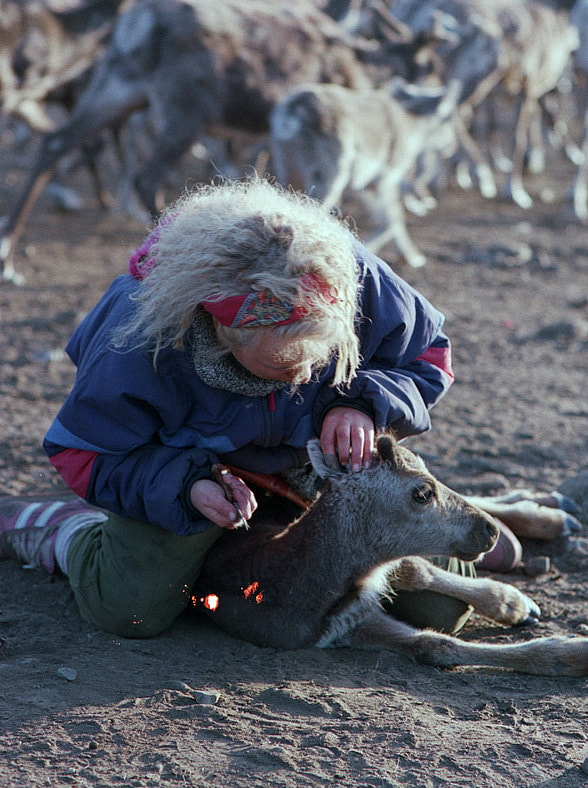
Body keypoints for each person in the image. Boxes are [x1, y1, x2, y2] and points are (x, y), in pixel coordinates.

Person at [1, 177, 490, 638]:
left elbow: (429, 354)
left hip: (313, 465)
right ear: (223, 333)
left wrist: (361, 403)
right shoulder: (137, 335)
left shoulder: (345, 273)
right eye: (281, 366)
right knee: (129, 608)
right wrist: (186, 485)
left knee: (441, 612)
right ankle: (64, 530)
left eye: (319, 358)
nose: (302, 376)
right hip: (189, 476)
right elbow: (83, 455)